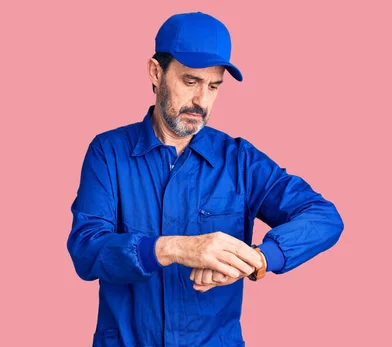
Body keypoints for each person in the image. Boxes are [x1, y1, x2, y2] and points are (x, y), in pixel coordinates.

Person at [66, 11, 344, 347]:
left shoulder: (240, 161)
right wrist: (175, 248)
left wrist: (257, 259)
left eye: (214, 86)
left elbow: (323, 216)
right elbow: (86, 250)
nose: (202, 101)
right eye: (190, 81)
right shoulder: (108, 152)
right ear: (156, 72)